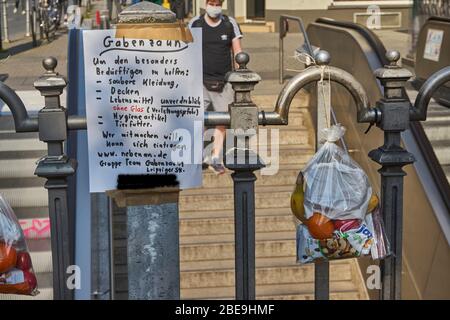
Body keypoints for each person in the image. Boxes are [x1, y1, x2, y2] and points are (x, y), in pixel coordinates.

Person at [188, 0, 242, 175]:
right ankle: (198, 158)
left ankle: (215, 157)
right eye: (211, 2)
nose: (214, 6)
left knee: (222, 121)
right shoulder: (195, 23)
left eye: (218, 3)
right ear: (206, 3)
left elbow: (238, 52)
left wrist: (239, 79)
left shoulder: (229, 23)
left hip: (224, 82)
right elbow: (187, 49)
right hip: (200, 80)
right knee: (197, 119)